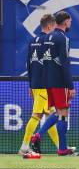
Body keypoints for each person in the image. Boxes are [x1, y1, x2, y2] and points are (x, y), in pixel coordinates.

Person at [20, 14, 60, 157]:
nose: (55, 30)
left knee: (50, 114)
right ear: (49, 26)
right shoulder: (48, 42)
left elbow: (29, 64)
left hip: (36, 83)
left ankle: (60, 147)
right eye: (54, 27)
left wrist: (31, 85)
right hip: (44, 84)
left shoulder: (33, 41)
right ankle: (24, 146)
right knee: (37, 115)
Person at [40, 11, 78, 156]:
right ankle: (61, 148)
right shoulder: (63, 38)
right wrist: (71, 86)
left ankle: (43, 137)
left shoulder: (46, 37)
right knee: (63, 113)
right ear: (66, 22)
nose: (70, 24)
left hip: (49, 81)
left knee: (59, 112)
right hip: (60, 82)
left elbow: (43, 61)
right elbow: (65, 64)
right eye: (70, 21)